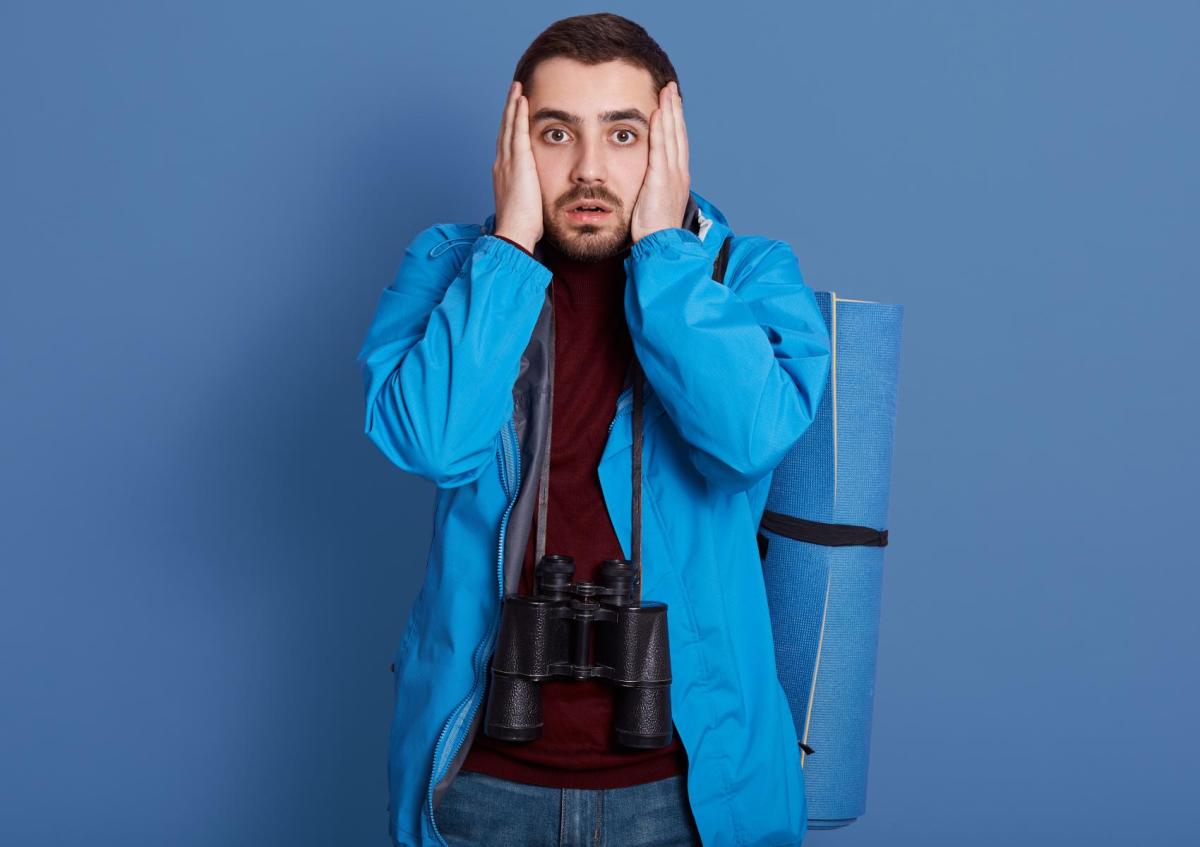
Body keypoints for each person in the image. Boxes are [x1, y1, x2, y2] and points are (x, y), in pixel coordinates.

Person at [356, 12, 832, 847]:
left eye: (622, 134)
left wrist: (666, 252)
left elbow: (745, 443)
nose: (587, 168)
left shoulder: (747, 275)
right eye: (555, 133)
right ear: (513, 143)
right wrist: (508, 247)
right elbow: (432, 441)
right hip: (481, 780)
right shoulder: (449, 268)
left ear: (670, 140)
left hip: (689, 789)